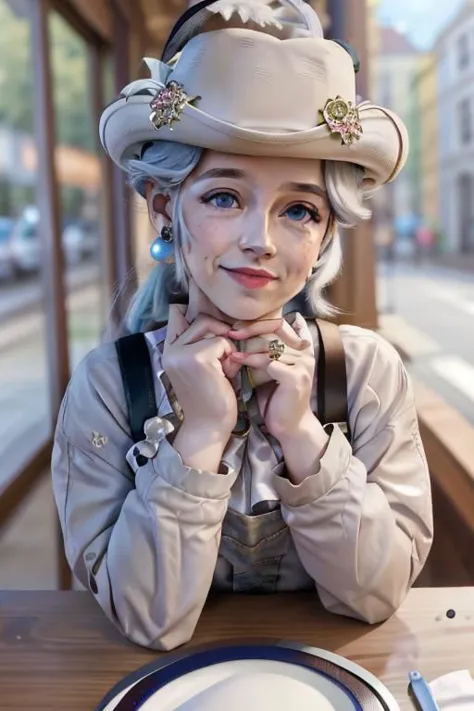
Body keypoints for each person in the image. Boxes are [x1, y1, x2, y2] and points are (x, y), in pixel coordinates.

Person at [51, 0, 433, 651]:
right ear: (165, 208)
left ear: (324, 235)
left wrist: (301, 433)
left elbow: (376, 594)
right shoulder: (108, 388)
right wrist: (198, 433)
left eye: (299, 210)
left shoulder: (367, 372)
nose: (260, 241)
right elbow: (149, 620)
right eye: (224, 197)